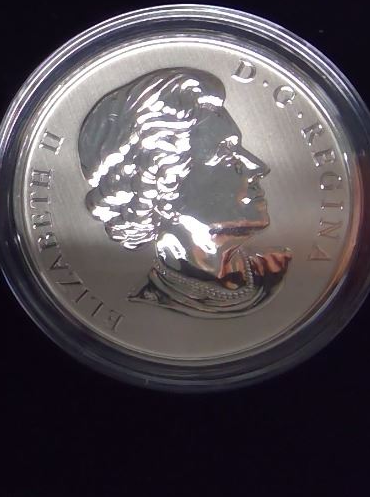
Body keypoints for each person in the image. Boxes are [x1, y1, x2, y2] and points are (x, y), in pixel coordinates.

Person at [79, 67, 290, 316]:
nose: (259, 167)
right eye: (226, 153)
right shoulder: (147, 312)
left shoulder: (279, 269)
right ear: (164, 183)